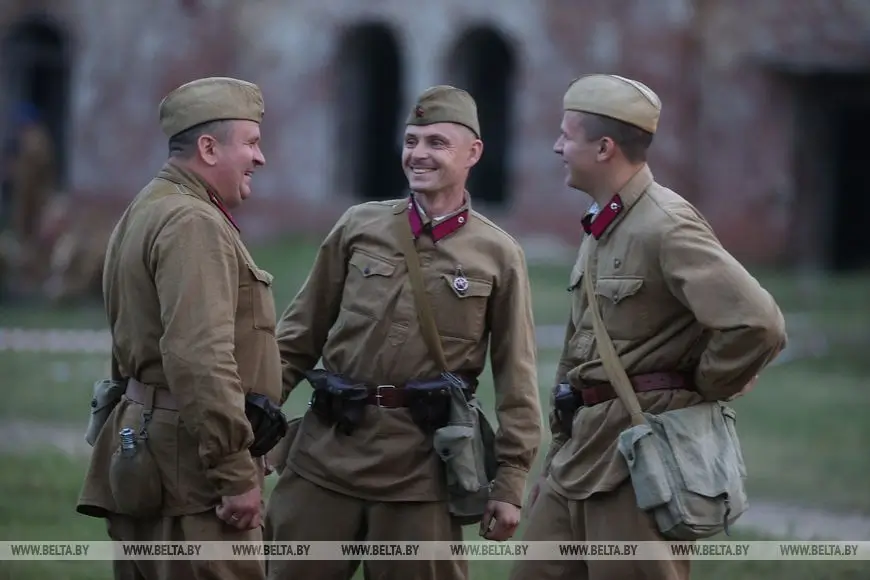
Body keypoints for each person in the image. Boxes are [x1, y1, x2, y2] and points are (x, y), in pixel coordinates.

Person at [508, 74, 787, 580]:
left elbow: (757, 322)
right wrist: (554, 458)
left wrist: (703, 384)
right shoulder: (604, 223)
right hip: (580, 456)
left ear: (604, 147)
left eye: (567, 136)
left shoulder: (666, 223)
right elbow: (584, 351)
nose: (557, 146)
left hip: (638, 461)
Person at [263, 85, 543, 580]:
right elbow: (295, 339)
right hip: (326, 457)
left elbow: (517, 378)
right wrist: (254, 428)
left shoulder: (498, 255)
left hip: (422, 469)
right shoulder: (358, 226)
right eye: (411, 140)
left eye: (436, 142)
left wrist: (509, 483)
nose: (418, 154)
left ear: (472, 153)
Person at [76, 77, 283, 580]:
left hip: (148, 451)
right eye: (251, 143)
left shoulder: (148, 206)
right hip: (191, 472)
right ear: (209, 149)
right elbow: (199, 357)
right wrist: (234, 473)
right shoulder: (193, 222)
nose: (260, 158)